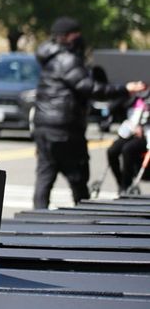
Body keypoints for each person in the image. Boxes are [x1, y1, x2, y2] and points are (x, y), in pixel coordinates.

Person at [33, 16, 146, 208]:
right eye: (77, 34)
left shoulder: (50, 58)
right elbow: (91, 89)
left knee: (45, 178)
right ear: (68, 36)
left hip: (44, 127)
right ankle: (83, 222)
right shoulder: (67, 60)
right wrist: (125, 89)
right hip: (65, 130)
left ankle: (34, 225)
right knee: (78, 179)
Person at [107, 96, 149, 194]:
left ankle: (126, 184)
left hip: (146, 135)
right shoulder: (132, 97)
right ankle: (121, 182)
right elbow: (113, 108)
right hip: (129, 132)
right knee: (112, 151)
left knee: (127, 149)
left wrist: (142, 126)